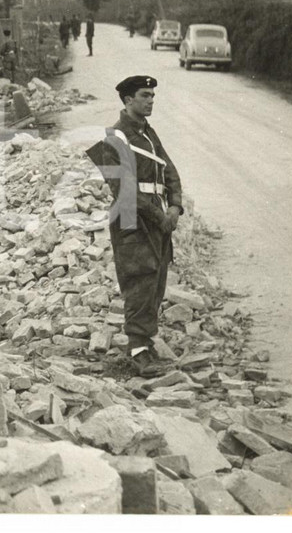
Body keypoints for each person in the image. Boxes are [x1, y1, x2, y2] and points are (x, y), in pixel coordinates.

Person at [85, 76, 183, 377]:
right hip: (130, 218)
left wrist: (176, 205)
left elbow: (169, 172)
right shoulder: (115, 138)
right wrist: (160, 215)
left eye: (153, 95)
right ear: (128, 100)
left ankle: (146, 343)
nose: (151, 100)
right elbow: (123, 189)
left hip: (156, 218)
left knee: (156, 280)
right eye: (144, 95)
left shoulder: (149, 135)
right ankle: (138, 352)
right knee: (139, 280)